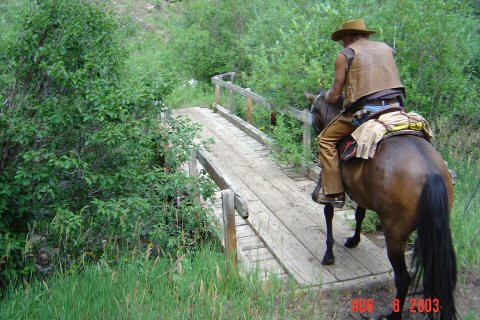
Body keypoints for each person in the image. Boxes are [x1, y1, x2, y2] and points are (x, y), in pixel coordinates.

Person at [315, 19, 405, 208]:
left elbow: (336, 93)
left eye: (342, 38)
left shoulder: (345, 54)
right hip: (395, 106)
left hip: (368, 110)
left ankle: (334, 193)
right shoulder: (387, 49)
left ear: (348, 36)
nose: (342, 42)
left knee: (325, 140)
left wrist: (328, 97)